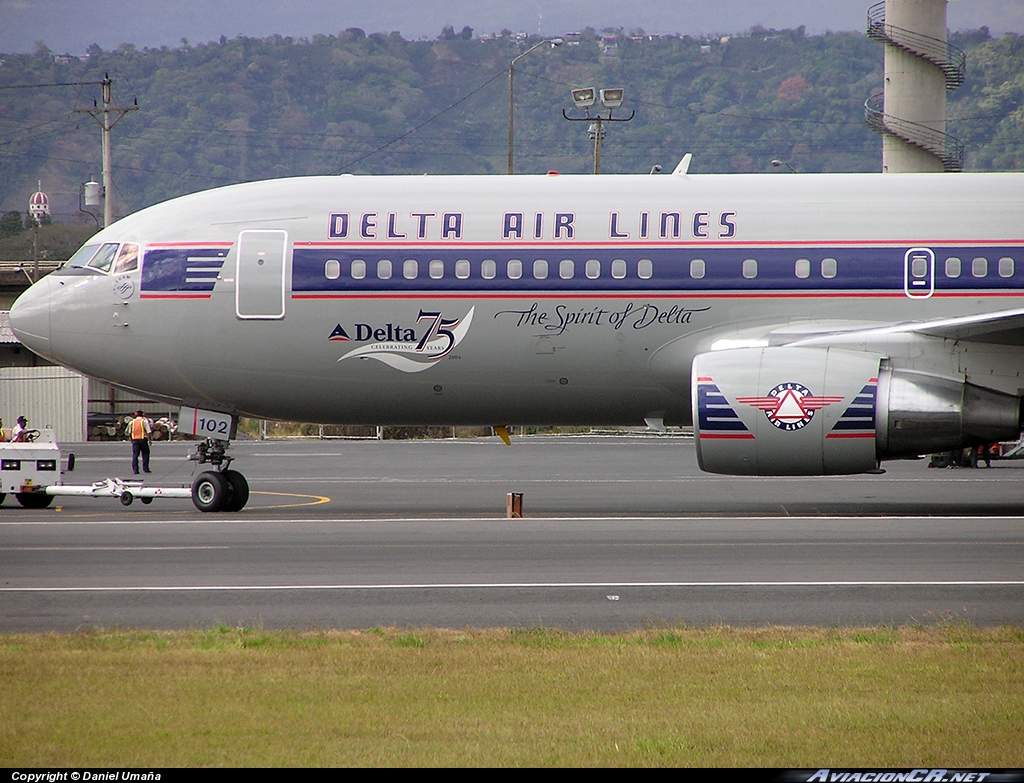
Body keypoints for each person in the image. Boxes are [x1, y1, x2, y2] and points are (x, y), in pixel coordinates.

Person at [126, 410, 152, 474]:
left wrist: (131, 439)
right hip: (143, 440)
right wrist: (150, 440)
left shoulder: (132, 422)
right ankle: (146, 469)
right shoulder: (144, 421)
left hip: (135, 441)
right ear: (143, 415)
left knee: (135, 455)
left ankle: (135, 470)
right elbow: (148, 432)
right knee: (145, 454)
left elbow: (129, 432)